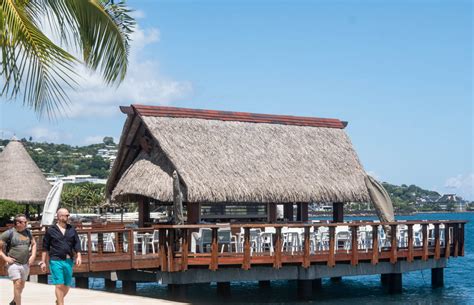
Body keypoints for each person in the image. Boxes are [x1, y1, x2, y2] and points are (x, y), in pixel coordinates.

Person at [40, 208, 81, 305]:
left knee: (67, 285)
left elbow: (77, 243)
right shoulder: (51, 230)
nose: (68, 217)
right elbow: (45, 247)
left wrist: (78, 256)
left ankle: (58, 301)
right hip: (55, 260)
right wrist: (43, 262)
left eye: (68, 215)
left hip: (68, 260)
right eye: (66, 215)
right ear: (59, 216)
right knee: (59, 285)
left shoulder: (72, 229)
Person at [0, 214, 37, 305]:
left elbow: (34, 244)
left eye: (26, 222)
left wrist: (33, 256)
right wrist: (5, 258)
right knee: (17, 284)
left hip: (25, 263)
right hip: (13, 263)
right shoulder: (9, 233)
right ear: (17, 223)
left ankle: (14, 301)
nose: (26, 224)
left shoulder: (28, 232)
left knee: (21, 286)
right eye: (24, 222)